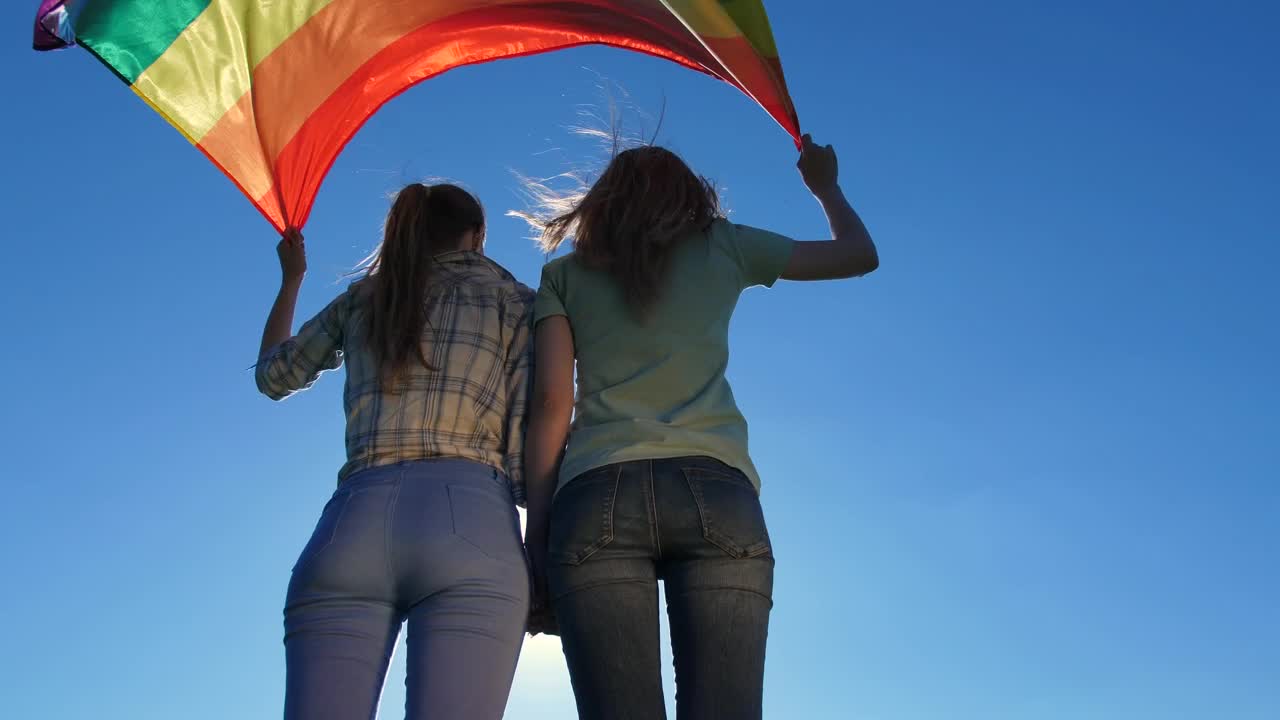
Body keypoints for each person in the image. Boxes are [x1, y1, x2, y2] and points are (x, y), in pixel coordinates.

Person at [522, 135, 879, 719]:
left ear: (603, 202)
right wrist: (826, 188)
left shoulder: (565, 275)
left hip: (595, 492)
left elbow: (551, 402)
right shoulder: (725, 247)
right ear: (689, 195)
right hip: (717, 490)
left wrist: (537, 538)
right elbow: (858, 255)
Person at [255, 183, 535, 720]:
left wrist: (293, 278)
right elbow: (524, 458)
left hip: (350, 525)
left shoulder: (363, 297)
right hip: (470, 518)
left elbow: (274, 375)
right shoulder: (516, 301)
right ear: (476, 236)